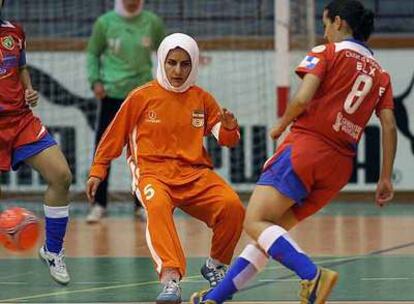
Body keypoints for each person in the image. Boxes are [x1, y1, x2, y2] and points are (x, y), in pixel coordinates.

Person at [190, 0, 397, 303]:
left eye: (326, 24)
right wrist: (385, 177)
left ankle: (312, 274)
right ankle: (215, 298)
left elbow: (302, 98)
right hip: (339, 168)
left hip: (306, 150)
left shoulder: (326, 52)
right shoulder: (381, 74)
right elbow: (389, 126)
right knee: (269, 235)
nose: (324, 32)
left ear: (338, 22)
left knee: (254, 222)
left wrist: (280, 125)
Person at [86, 33, 245, 304]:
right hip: (152, 174)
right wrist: (98, 169)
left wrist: (229, 127)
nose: (178, 70)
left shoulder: (202, 99)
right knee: (157, 207)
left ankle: (216, 265)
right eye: (172, 63)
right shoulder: (141, 97)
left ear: (193, 64)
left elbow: (226, 139)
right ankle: (170, 280)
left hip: (194, 174)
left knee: (232, 206)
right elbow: (114, 135)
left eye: (185, 64)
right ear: (162, 61)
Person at [0, 0, 72, 285]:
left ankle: (52, 251)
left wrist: (29, 89)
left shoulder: (14, 32)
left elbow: (21, 68)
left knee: (61, 176)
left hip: (20, 121)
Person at [86, 0, 165, 223]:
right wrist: (95, 81)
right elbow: (92, 53)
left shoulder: (152, 22)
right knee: (103, 149)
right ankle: (98, 204)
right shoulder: (105, 23)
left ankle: (142, 203)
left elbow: (165, 53)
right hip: (112, 95)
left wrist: (162, 84)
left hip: (142, 96)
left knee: (145, 150)